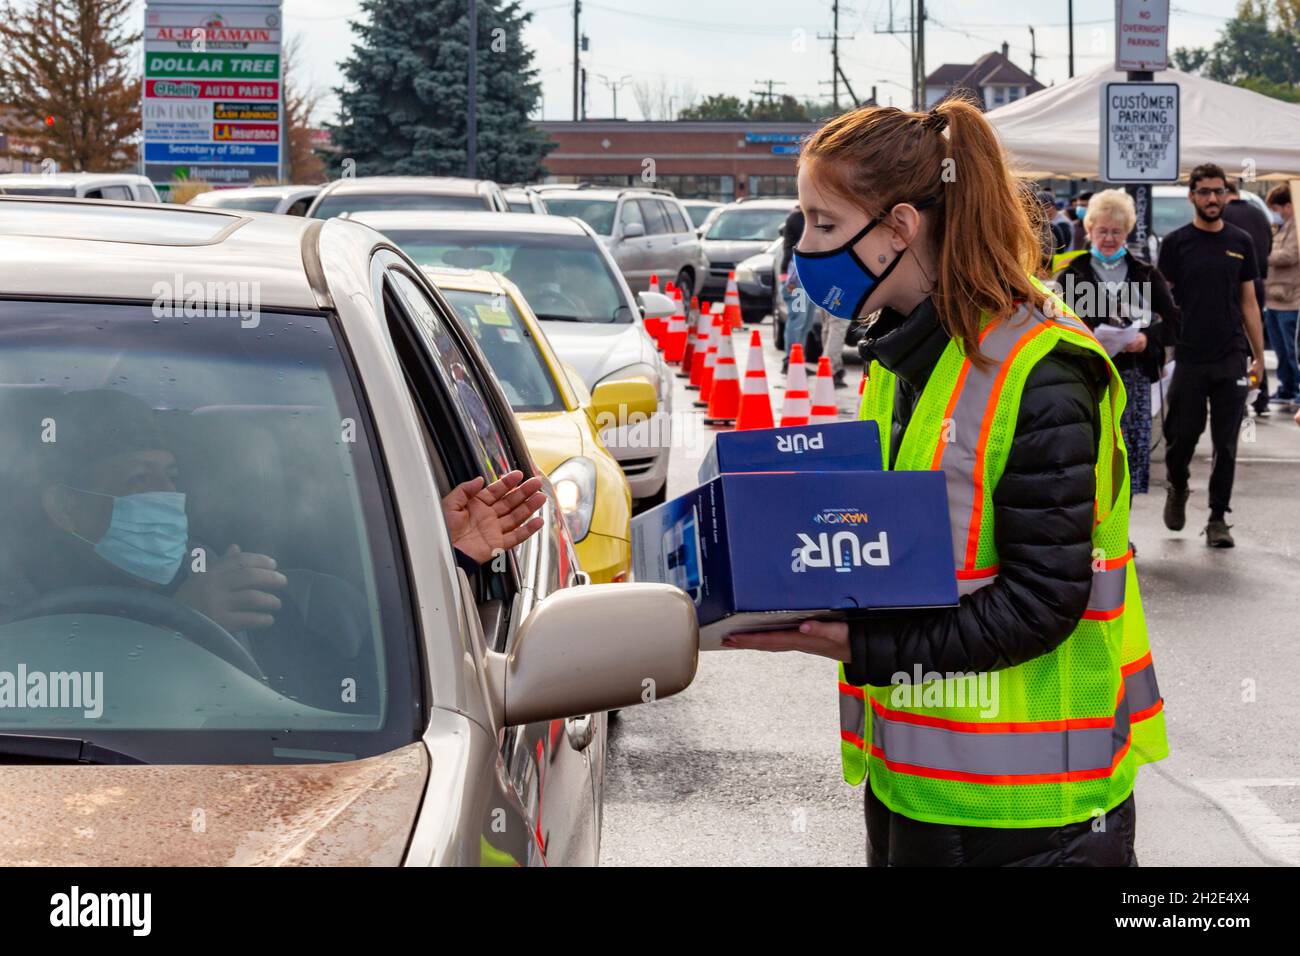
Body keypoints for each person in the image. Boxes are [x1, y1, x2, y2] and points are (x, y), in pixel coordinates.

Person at [729, 98, 1168, 866]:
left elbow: (1042, 600)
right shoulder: (903, 361)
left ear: (899, 228)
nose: (803, 248)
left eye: (824, 225)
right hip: (917, 789)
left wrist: (862, 645)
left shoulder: (1041, 374)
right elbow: (903, 550)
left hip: (1039, 816)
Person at [7, 389, 546, 696]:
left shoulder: (264, 591)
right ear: (65, 506)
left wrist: (438, 559)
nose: (166, 497)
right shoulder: (15, 595)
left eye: (170, 476)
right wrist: (177, 620)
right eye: (137, 479)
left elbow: (371, 694)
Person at [1157, 164, 1267, 548]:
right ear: (1192, 196)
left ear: (1226, 194)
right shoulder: (1175, 243)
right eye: (1204, 192)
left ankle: (1218, 517)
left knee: (1227, 443)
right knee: (1181, 439)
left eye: (1218, 191)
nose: (1212, 199)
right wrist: (1160, 345)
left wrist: (1258, 356)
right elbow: (1162, 302)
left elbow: (1249, 302)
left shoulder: (1241, 241)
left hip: (1230, 356)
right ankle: (1178, 485)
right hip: (1188, 356)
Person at [1058, 189, 1179, 501]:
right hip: (1088, 380)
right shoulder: (1073, 274)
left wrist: (1147, 339)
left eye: (1116, 231)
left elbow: (1174, 322)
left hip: (1133, 379)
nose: (1109, 238)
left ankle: (1120, 536)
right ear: (1089, 231)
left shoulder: (1145, 273)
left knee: (1128, 461)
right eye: (1102, 231)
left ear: (1126, 233)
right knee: (1091, 457)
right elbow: (1054, 325)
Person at [1222, 180, 1275, 417]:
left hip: (1231, 285)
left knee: (1234, 343)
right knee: (1256, 342)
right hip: (1258, 282)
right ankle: (1261, 394)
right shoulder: (1258, 211)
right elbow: (1269, 246)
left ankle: (1238, 396)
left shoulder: (1224, 217)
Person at [1264, 184, 1299, 412]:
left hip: (1291, 298)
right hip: (1273, 296)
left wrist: (1265, 255)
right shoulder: (1281, 226)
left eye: (1277, 208)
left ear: (1288, 205)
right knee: (1279, 349)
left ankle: (1296, 388)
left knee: (1291, 349)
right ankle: (1287, 387)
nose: (1276, 212)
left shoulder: (1295, 228)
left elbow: (1291, 254)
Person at [779, 206, 813, 375]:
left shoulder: (808, 218)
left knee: (805, 323)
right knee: (798, 320)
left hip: (807, 280)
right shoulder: (798, 219)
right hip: (796, 280)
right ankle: (790, 360)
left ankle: (798, 359)